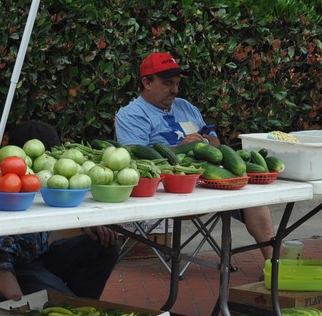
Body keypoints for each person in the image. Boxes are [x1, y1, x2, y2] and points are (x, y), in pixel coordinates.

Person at [115, 52, 275, 259]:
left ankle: (273, 264)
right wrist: (181, 148)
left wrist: (203, 144)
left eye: (177, 83)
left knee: (254, 197)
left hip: (208, 181)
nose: (174, 89)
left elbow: (216, 143)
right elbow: (135, 159)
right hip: (167, 189)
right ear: (146, 82)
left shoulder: (186, 107)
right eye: (167, 83)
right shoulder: (131, 115)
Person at [0, 121, 121, 315]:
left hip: (39, 257)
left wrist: (84, 223)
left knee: (105, 246)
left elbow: (60, 206)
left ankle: (74, 311)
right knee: (68, 307)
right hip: (9, 269)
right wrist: (5, 274)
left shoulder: (46, 178)